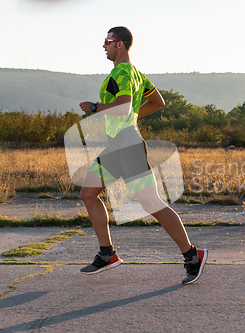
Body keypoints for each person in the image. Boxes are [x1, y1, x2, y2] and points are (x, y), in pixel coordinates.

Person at [78, 26, 207, 285]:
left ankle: (193, 255)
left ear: (120, 44)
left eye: (107, 41)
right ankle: (107, 254)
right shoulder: (136, 74)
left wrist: (95, 107)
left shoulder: (122, 72)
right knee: (88, 193)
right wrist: (132, 114)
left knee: (151, 203)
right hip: (117, 145)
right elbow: (157, 102)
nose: (103, 45)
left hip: (127, 145)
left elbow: (124, 105)